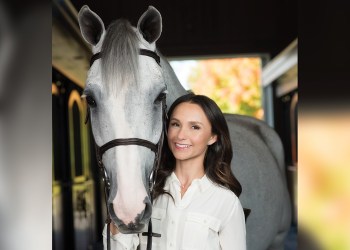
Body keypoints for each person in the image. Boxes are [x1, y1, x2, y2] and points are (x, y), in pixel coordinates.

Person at [103, 93, 246, 250]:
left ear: (213, 137)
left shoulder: (226, 202)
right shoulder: (144, 192)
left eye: (195, 127)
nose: (180, 135)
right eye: (175, 124)